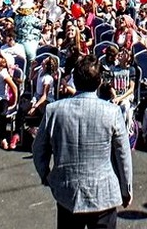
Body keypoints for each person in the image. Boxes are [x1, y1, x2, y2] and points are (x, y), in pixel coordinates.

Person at [33, 54, 133, 229]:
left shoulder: (54, 111)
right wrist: (126, 190)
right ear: (99, 81)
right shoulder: (112, 112)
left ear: (75, 80)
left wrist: (46, 175)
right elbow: (123, 155)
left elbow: (39, 149)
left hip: (67, 193)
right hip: (103, 195)